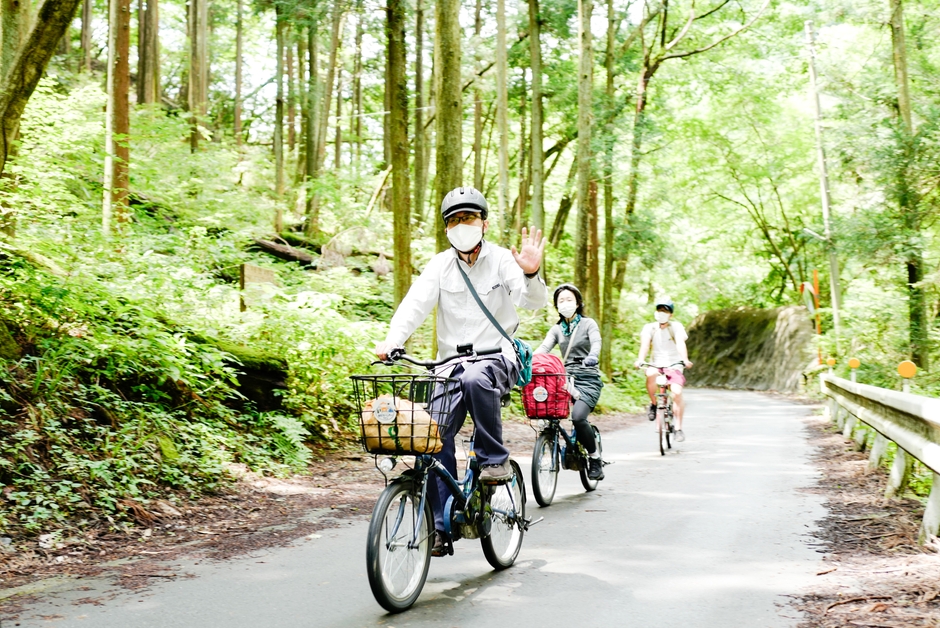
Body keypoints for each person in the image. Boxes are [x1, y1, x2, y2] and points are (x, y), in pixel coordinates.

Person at [374, 186, 547, 555]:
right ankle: (440, 527)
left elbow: (530, 302)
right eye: (453, 220)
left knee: (474, 377)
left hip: (496, 358)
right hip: (449, 363)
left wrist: (531, 273)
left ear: (483, 223)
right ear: (446, 228)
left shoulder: (502, 260)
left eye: (467, 217)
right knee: (430, 438)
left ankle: (493, 460)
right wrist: (391, 341)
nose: (460, 225)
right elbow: (414, 304)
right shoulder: (440, 265)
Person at [534, 284, 605, 480]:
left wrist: (593, 355)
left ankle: (595, 458)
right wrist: (528, 360)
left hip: (587, 378)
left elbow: (596, 342)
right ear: (556, 306)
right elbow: (544, 348)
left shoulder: (588, 324)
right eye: (561, 301)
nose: (565, 304)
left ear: (578, 303)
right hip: (564, 379)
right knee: (546, 411)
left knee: (578, 417)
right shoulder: (557, 329)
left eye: (569, 300)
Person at [633, 298, 693, 442]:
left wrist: (684, 359)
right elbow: (645, 346)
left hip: (674, 364)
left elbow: (680, 343)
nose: (661, 313)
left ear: (670, 314)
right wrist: (640, 360)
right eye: (659, 310)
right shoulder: (650, 328)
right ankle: (654, 404)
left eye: (665, 311)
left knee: (677, 393)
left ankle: (678, 428)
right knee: (650, 374)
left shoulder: (676, 327)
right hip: (656, 364)